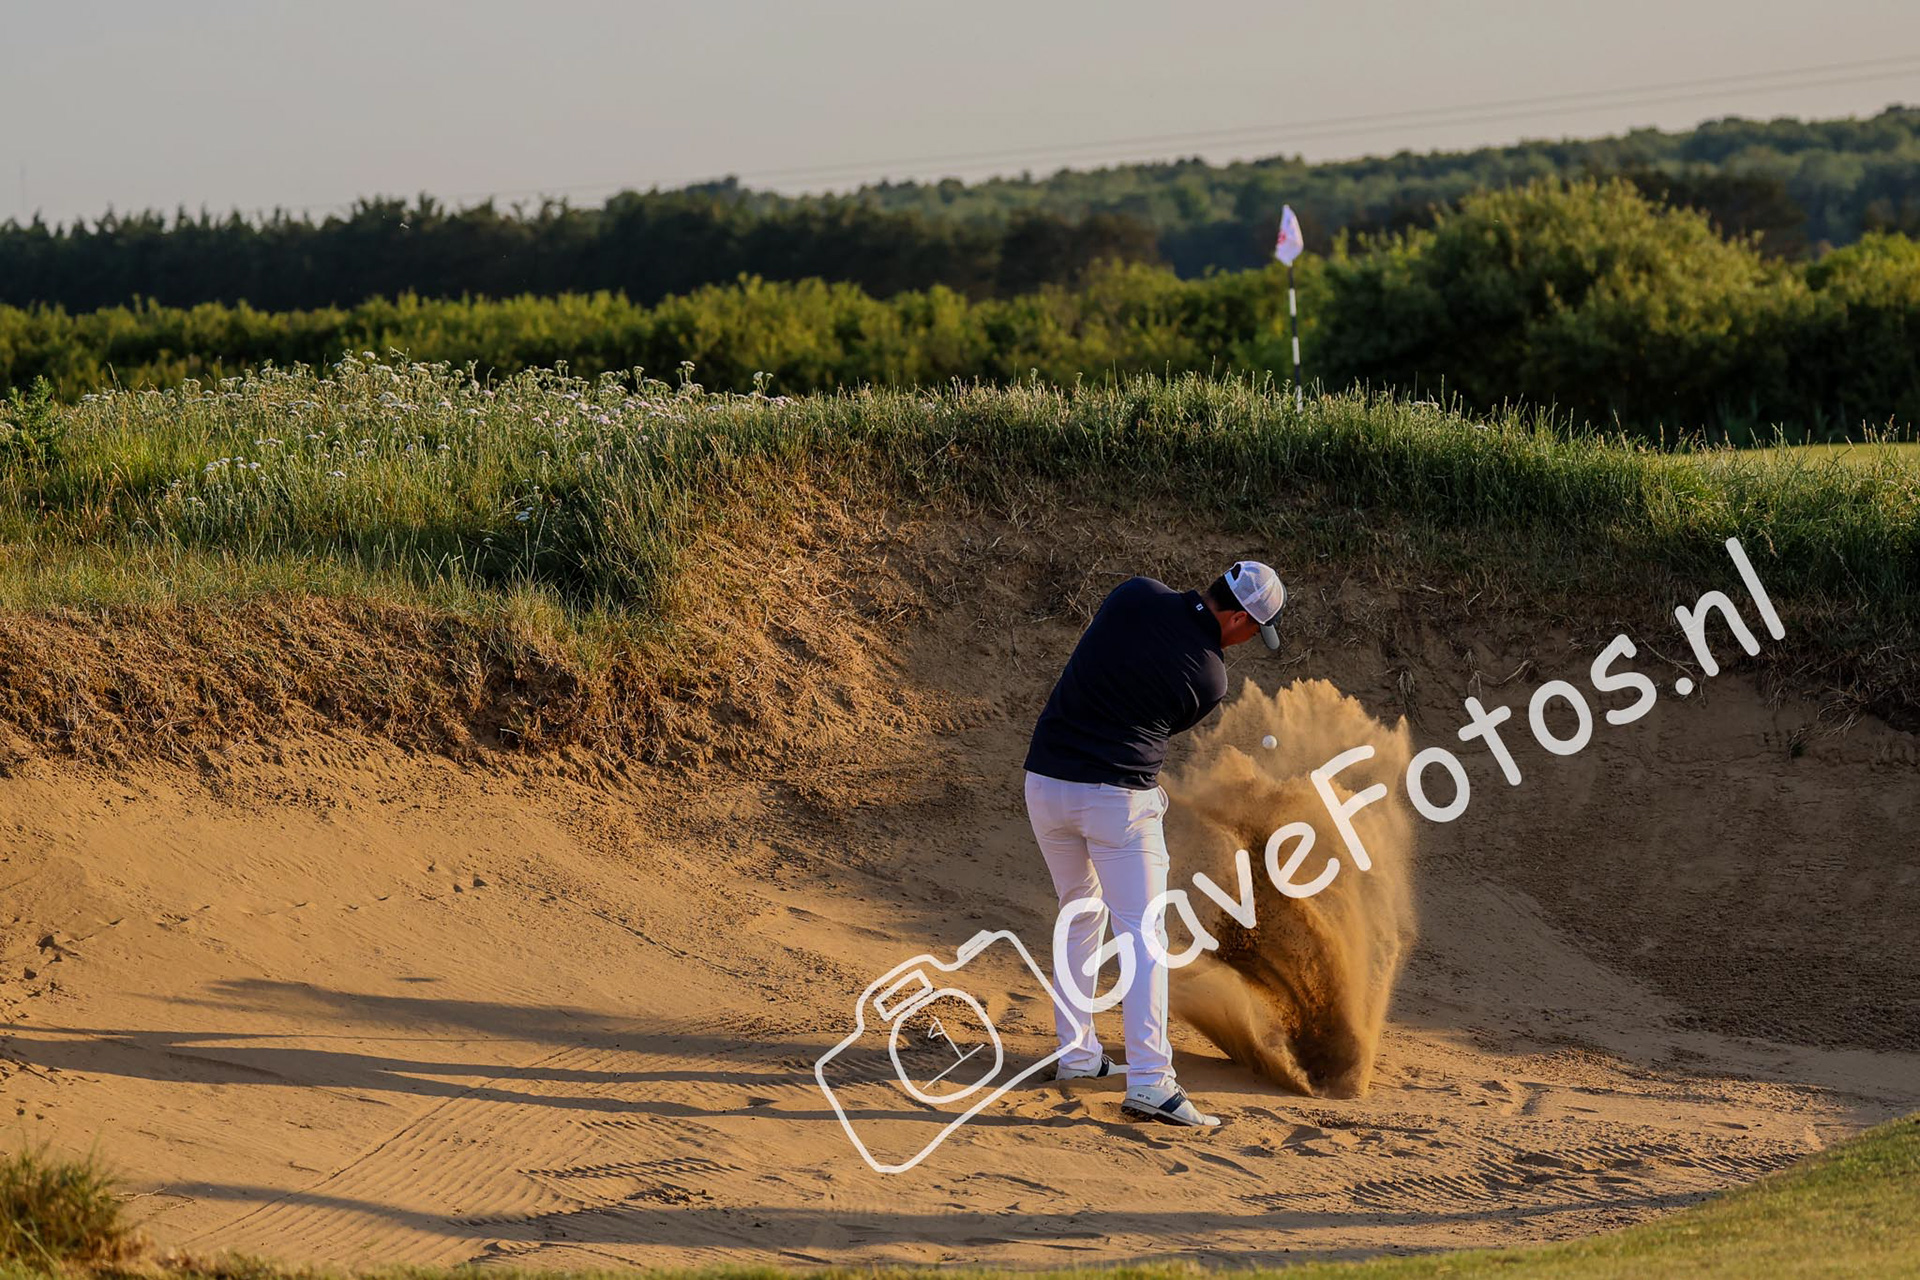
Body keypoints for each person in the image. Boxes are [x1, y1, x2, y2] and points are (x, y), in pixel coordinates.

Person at [1023, 560, 1286, 1128]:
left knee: (1078, 912)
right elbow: (1150, 735)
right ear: (1239, 616)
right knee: (1143, 935)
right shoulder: (1210, 677)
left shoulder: (1132, 593)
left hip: (1044, 784)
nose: (1245, 641)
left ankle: (1077, 1054)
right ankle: (1150, 1082)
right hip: (1115, 801)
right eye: (1251, 630)